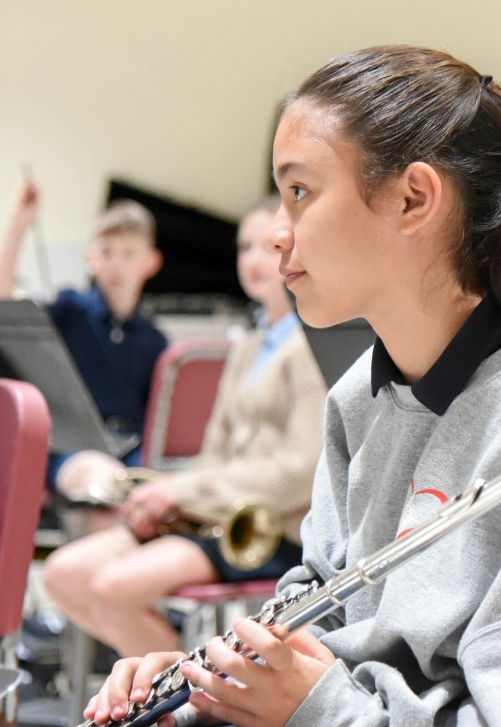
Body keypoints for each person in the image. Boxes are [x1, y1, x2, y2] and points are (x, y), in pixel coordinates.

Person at [84, 45, 501, 727]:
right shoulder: (362, 397)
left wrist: (315, 708)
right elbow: (326, 632)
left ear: (413, 198)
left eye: (299, 192)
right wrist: (216, 698)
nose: (277, 234)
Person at [41, 195, 327, 657]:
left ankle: (192, 694)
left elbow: (300, 470)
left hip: (265, 530)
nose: (252, 259)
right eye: (243, 247)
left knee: (112, 587)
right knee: (64, 575)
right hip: (213, 515)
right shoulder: (247, 347)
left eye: (266, 246)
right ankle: (183, 682)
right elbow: (213, 455)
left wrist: (182, 493)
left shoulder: (311, 345)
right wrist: (167, 493)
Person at [0, 181, 169, 491]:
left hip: (132, 453)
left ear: (151, 262)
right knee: (104, 484)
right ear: (91, 258)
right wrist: (18, 224)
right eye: (107, 252)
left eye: (128, 254)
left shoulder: (155, 341)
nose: (116, 264)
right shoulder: (70, 309)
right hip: (72, 450)